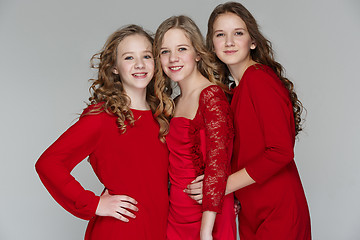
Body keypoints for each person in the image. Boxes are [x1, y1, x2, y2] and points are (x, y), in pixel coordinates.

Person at [186, 2, 312, 239]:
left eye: (238, 33)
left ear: (252, 42)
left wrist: (218, 188)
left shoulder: (259, 79)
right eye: (220, 34)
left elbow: (281, 152)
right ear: (212, 45)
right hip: (251, 213)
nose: (229, 41)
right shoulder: (235, 91)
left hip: (277, 212)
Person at [35, 25, 171, 240]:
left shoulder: (163, 116)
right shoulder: (102, 117)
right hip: (121, 231)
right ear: (114, 67)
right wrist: (94, 203)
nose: (139, 64)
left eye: (146, 55)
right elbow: (49, 163)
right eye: (128, 58)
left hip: (159, 229)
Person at [153, 15, 236, 240]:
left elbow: (219, 163)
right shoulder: (174, 102)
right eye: (165, 51)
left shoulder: (212, 96)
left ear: (197, 53)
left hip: (208, 216)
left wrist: (206, 232)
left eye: (181, 49)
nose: (173, 58)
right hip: (176, 213)